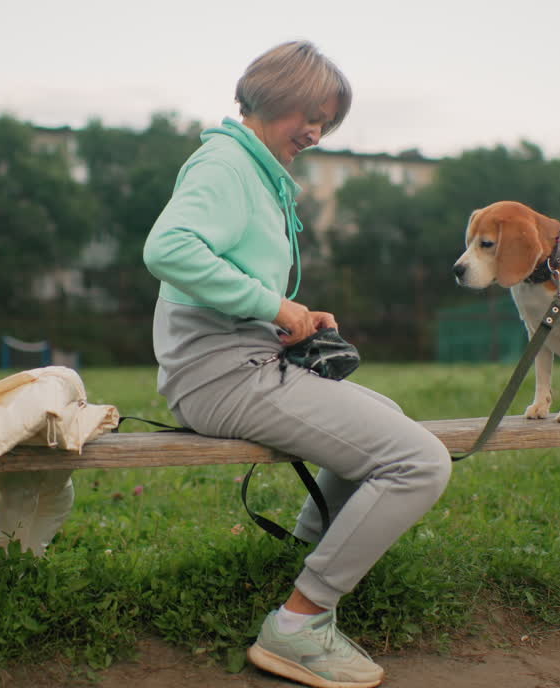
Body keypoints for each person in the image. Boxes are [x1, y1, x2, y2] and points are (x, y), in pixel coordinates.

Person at [143, 40, 451, 688]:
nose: (315, 131)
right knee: (418, 461)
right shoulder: (225, 164)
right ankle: (299, 625)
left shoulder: (253, 171)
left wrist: (292, 318)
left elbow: (234, 281)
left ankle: (307, 556)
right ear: (271, 96)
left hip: (242, 357)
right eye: (309, 114)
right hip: (218, 374)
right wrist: (270, 305)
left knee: (391, 423)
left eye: (327, 121)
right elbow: (169, 249)